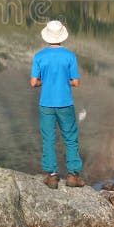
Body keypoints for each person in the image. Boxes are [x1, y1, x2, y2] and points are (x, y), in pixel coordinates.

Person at [30, 20, 84, 189]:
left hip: (46, 103)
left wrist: (43, 82)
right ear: (62, 36)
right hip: (65, 103)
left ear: (47, 36)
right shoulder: (70, 56)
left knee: (48, 138)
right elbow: (75, 82)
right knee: (70, 138)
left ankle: (52, 176)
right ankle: (73, 176)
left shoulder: (39, 56)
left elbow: (33, 83)